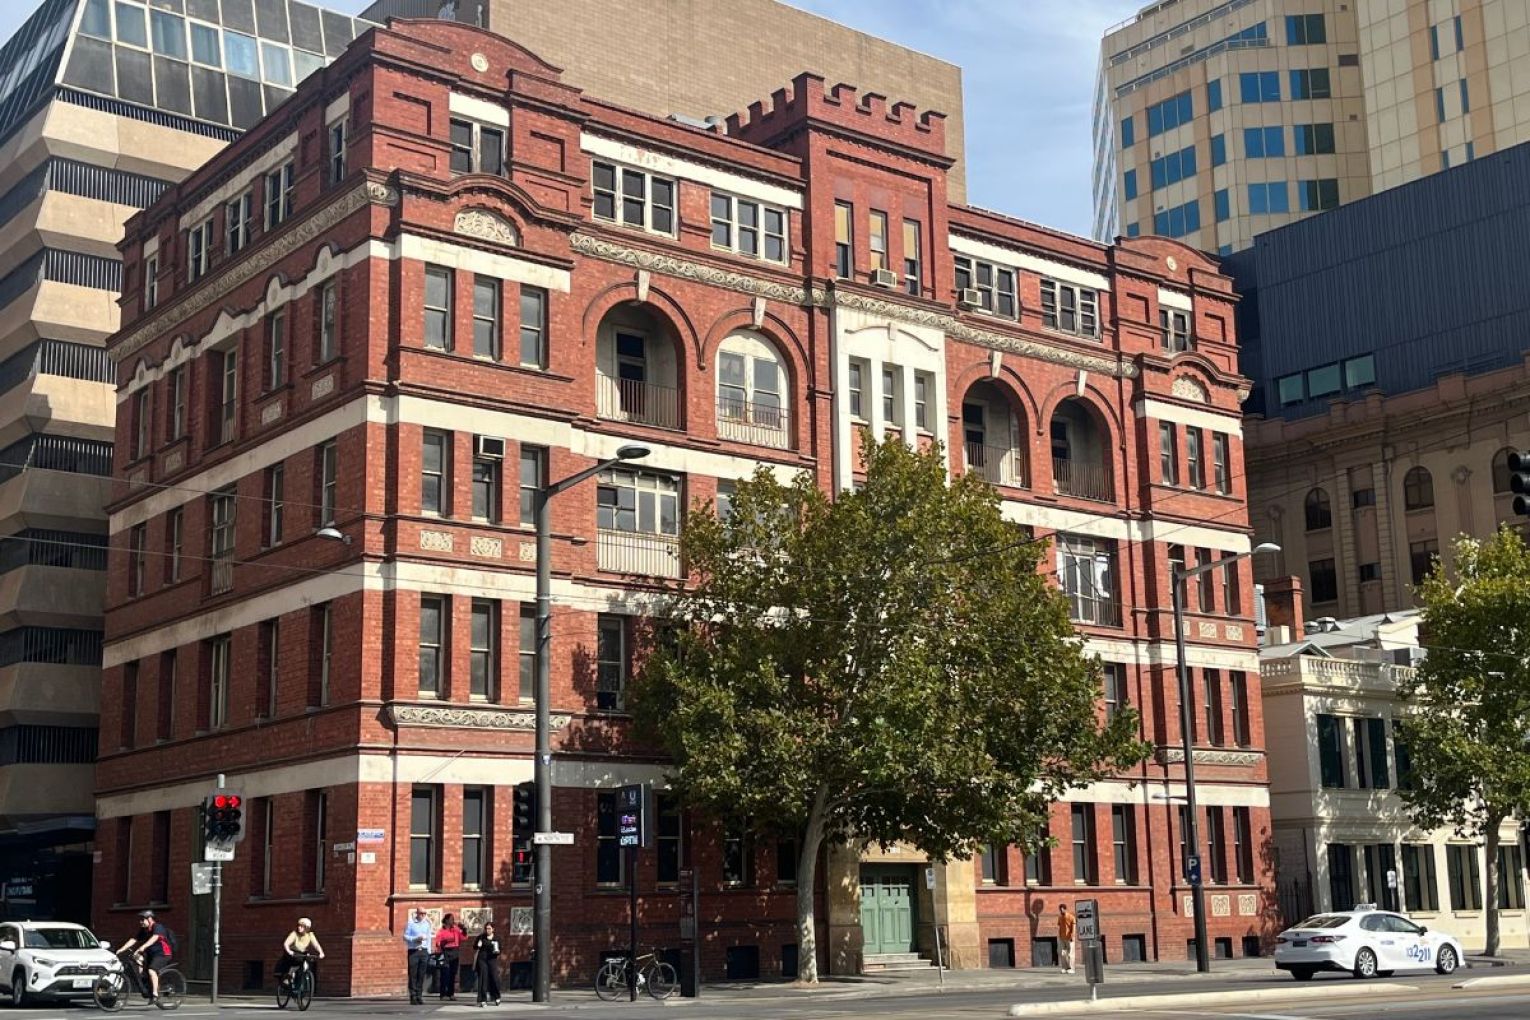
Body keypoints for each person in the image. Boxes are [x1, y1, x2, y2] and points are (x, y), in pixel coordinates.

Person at [118, 909, 172, 1004]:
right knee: (138, 964)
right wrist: (122, 949)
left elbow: (154, 938)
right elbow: (134, 939)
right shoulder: (144, 930)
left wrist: (142, 947)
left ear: (150, 919)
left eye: (143, 919)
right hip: (150, 954)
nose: (140, 922)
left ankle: (155, 994)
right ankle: (147, 989)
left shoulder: (158, 927)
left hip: (162, 954)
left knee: (151, 970)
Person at [276, 917, 325, 990]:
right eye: (299, 925)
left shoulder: (310, 935)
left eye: (302, 926)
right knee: (292, 963)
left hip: (302, 953)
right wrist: (289, 951)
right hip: (293, 952)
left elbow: (316, 945)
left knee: (305, 965)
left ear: (307, 928)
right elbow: (286, 943)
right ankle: (288, 977)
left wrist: (321, 952)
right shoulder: (294, 934)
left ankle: (299, 985)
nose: (299, 927)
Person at [403, 906, 434, 1004]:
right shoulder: (411, 923)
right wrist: (415, 939)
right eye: (421, 913)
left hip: (423, 951)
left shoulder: (427, 924)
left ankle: (419, 995)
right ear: (417, 913)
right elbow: (405, 936)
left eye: (425, 913)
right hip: (414, 951)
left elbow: (429, 937)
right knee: (413, 974)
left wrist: (428, 951)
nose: (423, 915)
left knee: (421, 974)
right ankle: (413, 996)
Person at [471, 921, 501, 1007]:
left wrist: (497, 951)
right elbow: (474, 946)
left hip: (492, 960)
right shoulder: (481, 937)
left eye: (489, 928)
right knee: (483, 979)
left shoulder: (496, 938)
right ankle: (483, 1000)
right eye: (486, 928)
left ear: (493, 929)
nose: (488, 930)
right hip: (482, 960)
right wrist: (478, 945)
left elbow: (500, 949)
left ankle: (496, 996)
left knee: (494, 978)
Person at [434, 913, 463, 1001]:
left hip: (455, 951)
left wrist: (464, 930)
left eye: (453, 919)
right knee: (445, 973)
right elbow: (437, 942)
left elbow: (463, 938)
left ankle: (451, 994)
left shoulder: (456, 929)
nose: (452, 921)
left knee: (453, 974)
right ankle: (442, 994)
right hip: (446, 951)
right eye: (451, 919)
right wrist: (445, 941)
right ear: (446, 920)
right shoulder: (441, 930)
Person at [1057, 903, 1076, 974]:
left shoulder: (1071, 917)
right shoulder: (1060, 917)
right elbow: (1059, 927)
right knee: (1063, 953)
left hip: (1069, 937)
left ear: (1065, 909)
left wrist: (1072, 936)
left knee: (1070, 954)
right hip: (1062, 938)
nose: (1061, 911)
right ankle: (1064, 967)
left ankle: (1072, 968)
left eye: (1062, 909)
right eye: (1060, 909)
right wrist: (1059, 936)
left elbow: (1074, 927)